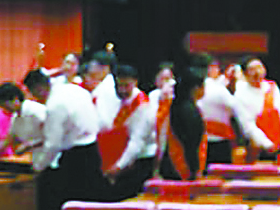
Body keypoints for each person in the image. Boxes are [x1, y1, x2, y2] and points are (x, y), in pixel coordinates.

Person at [24, 67, 101, 210]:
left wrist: (38, 166)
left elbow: (53, 144)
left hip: (75, 158)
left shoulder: (54, 105)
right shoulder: (74, 89)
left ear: (38, 88)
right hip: (93, 149)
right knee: (90, 204)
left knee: (71, 208)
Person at [190, 51, 269, 165]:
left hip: (196, 142)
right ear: (211, 68)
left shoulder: (188, 88)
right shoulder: (218, 90)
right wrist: (264, 142)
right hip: (218, 144)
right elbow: (242, 116)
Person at [99, 64, 158, 200]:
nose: (122, 90)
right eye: (119, 85)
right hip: (123, 156)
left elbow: (137, 141)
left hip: (140, 159)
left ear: (135, 82)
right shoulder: (120, 99)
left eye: (126, 85)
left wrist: (119, 166)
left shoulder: (142, 106)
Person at [156, 65, 208, 181]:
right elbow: (191, 145)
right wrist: (194, 171)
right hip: (183, 169)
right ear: (195, 88)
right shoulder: (188, 111)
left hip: (173, 167)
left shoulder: (176, 105)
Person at [232, 56, 280, 154]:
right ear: (245, 73)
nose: (257, 72)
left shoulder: (271, 87)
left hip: (278, 141)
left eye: (260, 67)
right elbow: (247, 124)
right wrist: (267, 144)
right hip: (257, 147)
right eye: (252, 69)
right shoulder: (240, 94)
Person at [0, 81, 47, 157]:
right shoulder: (15, 117)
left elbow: (54, 134)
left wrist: (30, 144)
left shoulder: (35, 110)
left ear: (15, 99)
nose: (5, 109)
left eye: (5, 105)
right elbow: (9, 138)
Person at [80, 51, 120, 130]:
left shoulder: (107, 90)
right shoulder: (100, 85)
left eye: (95, 64)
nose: (91, 65)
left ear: (106, 68)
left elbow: (105, 122)